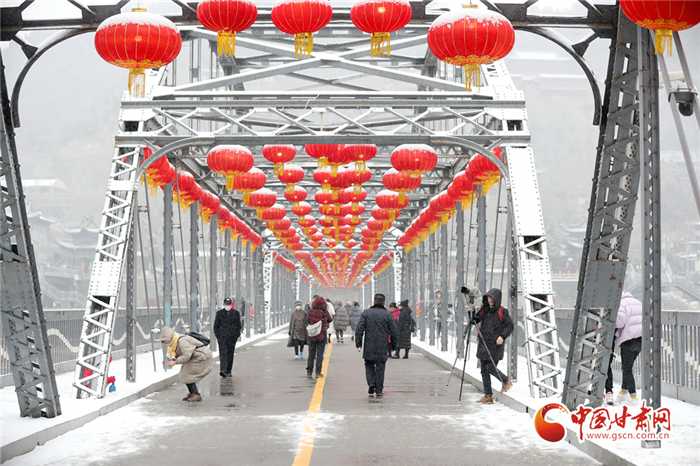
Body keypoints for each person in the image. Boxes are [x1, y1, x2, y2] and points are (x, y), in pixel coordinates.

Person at [471, 288, 514, 404]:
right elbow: (474, 320)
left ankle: (505, 380)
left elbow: (510, 326)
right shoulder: (484, 310)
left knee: (490, 367)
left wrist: (502, 336)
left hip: (495, 345)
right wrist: (471, 311)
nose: (490, 300)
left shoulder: (502, 312)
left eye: (492, 298)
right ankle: (488, 395)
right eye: (489, 297)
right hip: (484, 343)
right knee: (484, 370)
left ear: (497, 299)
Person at [355, 293, 398, 397]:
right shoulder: (387, 314)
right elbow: (394, 331)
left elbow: (359, 329)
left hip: (369, 344)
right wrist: (393, 346)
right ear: (384, 303)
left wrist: (358, 343)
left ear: (374, 302)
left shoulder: (366, 313)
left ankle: (371, 383)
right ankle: (379, 390)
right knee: (380, 368)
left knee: (368, 365)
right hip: (382, 345)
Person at [161, 326, 214, 402]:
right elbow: (180, 352)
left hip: (202, 356)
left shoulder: (182, 341)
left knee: (187, 374)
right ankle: (192, 393)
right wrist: (173, 359)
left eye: (167, 340)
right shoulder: (175, 341)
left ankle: (195, 394)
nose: (166, 342)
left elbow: (186, 355)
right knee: (185, 373)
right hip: (197, 356)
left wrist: (175, 362)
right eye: (164, 341)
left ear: (170, 337)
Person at [608, 292, 643, 405]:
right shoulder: (638, 303)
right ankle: (623, 393)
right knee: (628, 366)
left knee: (627, 368)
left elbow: (619, 322)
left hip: (628, 339)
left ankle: (633, 396)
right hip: (641, 339)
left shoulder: (621, 304)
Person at [213, 297, 241, 378]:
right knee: (223, 354)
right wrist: (218, 336)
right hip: (222, 338)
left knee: (230, 354)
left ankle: (228, 370)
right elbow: (216, 326)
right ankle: (223, 370)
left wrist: (236, 335)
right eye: (226, 304)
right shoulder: (219, 313)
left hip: (232, 338)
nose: (227, 305)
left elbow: (238, 325)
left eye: (229, 304)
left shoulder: (235, 313)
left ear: (231, 304)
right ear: (223, 304)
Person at [306, 296, 333, 378]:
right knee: (320, 354)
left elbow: (307, 319)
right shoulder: (325, 313)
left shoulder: (311, 312)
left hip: (312, 335)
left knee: (311, 354)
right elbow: (330, 320)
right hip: (322, 335)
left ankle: (309, 372)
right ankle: (318, 372)